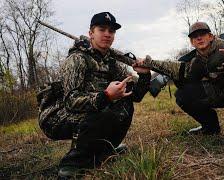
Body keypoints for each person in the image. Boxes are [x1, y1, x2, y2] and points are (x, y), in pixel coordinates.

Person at [42, 12, 151, 177]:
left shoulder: (111, 62)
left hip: (87, 111)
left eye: (111, 31)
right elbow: (72, 101)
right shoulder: (77, 59)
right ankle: (73, 162)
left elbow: (134, 96)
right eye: (102, 29)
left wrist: (144, 75)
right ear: (91, 33)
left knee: (124, 104)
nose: (107, 34)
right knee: (103, 108)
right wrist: (106, 96)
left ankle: (105, 150)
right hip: (56, 116)